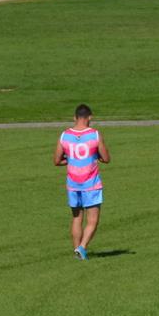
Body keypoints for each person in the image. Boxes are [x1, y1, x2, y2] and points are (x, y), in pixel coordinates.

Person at [55, 103, 111, 259]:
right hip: (91, 184)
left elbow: (56, 161)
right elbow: (106, 158)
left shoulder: (64, 135)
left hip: (73, 184)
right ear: (90, 117)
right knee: (92, 221)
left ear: (75, 118)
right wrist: (95, 156)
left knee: (76, 218)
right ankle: (82, 247)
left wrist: (70, 160)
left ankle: (77, 252)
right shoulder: (94, 135)